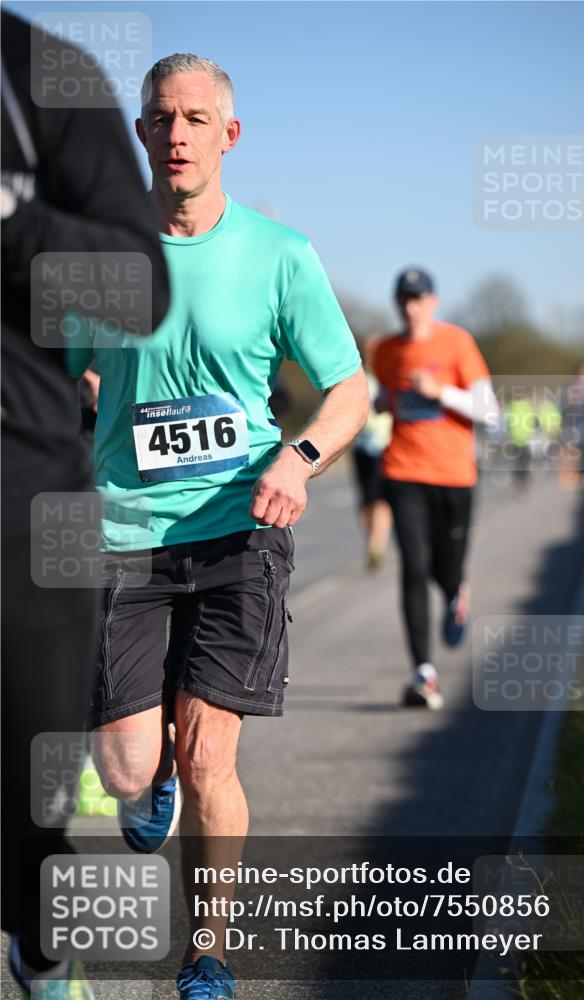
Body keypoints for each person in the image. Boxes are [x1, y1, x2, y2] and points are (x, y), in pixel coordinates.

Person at [66, 53, 368, 1000]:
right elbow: (65, 378)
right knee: (125, 770)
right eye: (163, 117)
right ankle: (141, 776)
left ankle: (208, 953)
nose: (181, 133)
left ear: (228, 136)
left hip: (242, 527)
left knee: (209, 755)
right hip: (128, 534)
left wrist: (299, 457)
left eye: (199, 118)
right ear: (143, 135)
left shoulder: (281, 253)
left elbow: (349, 389)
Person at [1, 11, 171, 999]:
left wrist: (13, 224)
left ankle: (41, 944)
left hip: (25, 496)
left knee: (30, 798)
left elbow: (133, 291)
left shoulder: (42, 75)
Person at [373, 268, 498, 709]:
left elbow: (489, 411)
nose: (410, 307)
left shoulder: (457, 342)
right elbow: (380, 397)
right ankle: (423, 673)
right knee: (412, 565)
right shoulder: (385, 350)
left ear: (433, 302)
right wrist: (383, 400)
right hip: (404, 471)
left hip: (455, 477)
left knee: (444, 569)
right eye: (403, 299)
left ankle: (456, 591)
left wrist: (441, 391)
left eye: (418, 299)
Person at [351, 336, 393, 569]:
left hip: (384, 446)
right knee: (366, 500)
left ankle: (377, 545)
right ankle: (371, 540)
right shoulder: (359, 379)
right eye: (368, 351)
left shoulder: (388, 378)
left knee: (380, 500)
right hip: (360, 447)